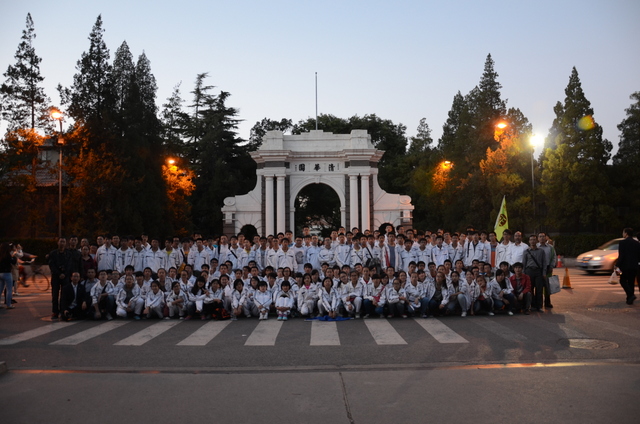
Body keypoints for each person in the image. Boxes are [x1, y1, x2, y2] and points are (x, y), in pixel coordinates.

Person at [48, 237, 74, 319]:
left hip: (65, 276)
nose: (62, 243)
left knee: (64, 295)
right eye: (61, 241)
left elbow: (69, 265)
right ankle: (55, 311)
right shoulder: (53, 253)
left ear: (66, 243)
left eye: (63, 242)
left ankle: (63, 310)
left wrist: (64, 273)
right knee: (55, 295)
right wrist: (59, 273)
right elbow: (51, 265)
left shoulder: (68, 253)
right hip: (56, 276)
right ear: (58, 243)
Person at [522, 234, 547, 312]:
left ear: (536, 241)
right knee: (530, 289)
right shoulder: (526, 251)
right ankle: (532, 305)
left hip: (538, 271)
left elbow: (544, 263)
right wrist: (524, 274)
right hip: (529, 271)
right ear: (529, 241)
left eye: (534, 239)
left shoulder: (541, 251)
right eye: (531, 240)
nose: (532, 241)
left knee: (539, 289)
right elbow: (524, 263)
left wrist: (544, 273)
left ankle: (539, 306)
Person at [618, 227, 640, 305]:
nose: (623, 234)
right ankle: (629, 299)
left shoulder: (622, 242)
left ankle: (630, 295)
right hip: (634, 266)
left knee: (622, 281)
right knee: (631, 282)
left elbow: (621, 255)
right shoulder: (637, 243)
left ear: (626, 233)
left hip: (625, 266)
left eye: (623, 232)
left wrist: (617, 265)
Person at [0, 243, 18, 309]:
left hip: (0, 273)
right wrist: (14, 256)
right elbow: (13, 262)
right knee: (9, 289)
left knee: (0, 289)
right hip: (7, 273)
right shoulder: (7, 255)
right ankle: (8, 304)